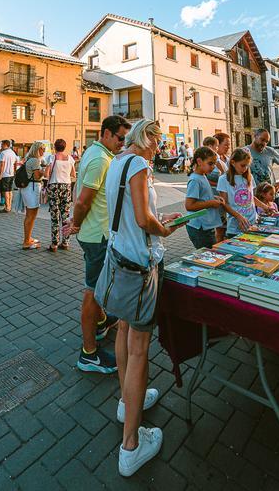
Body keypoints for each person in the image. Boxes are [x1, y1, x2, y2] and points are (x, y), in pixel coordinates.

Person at [102, 119, 184, 477]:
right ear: (145, 138)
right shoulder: (137, 163)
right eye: (157, 139)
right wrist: (164, 227)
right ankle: (131, 444)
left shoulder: (117, 161)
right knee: (139, 349)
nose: (160, 146)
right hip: (140, 266)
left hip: (120, 256)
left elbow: (130, 214)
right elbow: (142, 216)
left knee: (123, 331)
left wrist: (157, 217)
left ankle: (126, 401)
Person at [64, 115, 131, 374]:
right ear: (106, 133)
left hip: (95, 233)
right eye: (120, 138)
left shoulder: (95, 151)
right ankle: (89, 354)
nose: (122, 144)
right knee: (91, 293)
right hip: (95, 236)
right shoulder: (100, 159)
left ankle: (102, 321)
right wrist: (77, 223)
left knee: (99, 285)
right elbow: (82, 200)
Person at [218, 148, 272, 236]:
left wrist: (265, 207)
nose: (245, 169)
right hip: (235, 227)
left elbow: (251, 198)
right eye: (242, 165)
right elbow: (224, 204)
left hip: (253, 223)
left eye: (247, 166)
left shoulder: (248, 176)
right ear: (233, 162)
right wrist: (238, 216)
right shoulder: (223, 179)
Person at [184, 147, 225, 248]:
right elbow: (189, 205)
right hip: (199, 227)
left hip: (205, 226)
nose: (213, 167)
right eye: (210, 163)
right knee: (208, 255)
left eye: (214, 164)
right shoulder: (195, 180)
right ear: (199, 161)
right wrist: (211, 203)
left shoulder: (202, 176)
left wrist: (214, 198)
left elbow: (202, 197)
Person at [44, 139, 76, 252]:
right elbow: (73, 174)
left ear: (55, 147)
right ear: (65, 147)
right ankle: (66, 242)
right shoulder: (70, 158)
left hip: (54, 187)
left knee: (55, 216)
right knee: (65, 216)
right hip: (66, 187)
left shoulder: (52, 158)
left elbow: (46, 173)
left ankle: (54, 244)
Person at [245, 129, 279, 209]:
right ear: (255, 136)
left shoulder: (270, 151)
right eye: (262, 140)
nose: (264, 143)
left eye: (266, 141)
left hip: (271, 198)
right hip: (254, 197)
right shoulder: (244, 151)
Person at [15, 141, 46, 250]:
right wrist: (44, 171)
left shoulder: (29, 159)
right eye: (42, 149)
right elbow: (37, 176)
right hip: (32, 188)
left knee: (30, 215)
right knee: (31, 215)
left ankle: (28, 237)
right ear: (37, 149)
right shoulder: (35, 160)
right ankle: (26, 241)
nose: (44, 151)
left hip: (28, 188)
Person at [0, 140, 17, 212]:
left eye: (2, 144)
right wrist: (14, 172)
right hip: (11, 174)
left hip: (5, 174)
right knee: (10, 190)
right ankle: (9, 206)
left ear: (5, 144)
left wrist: (0, 174)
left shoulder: (3, 153)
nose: (1, 146)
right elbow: (15, 163)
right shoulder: (12, 153)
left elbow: (2, 164)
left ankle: (7, 207)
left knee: (5, 191)